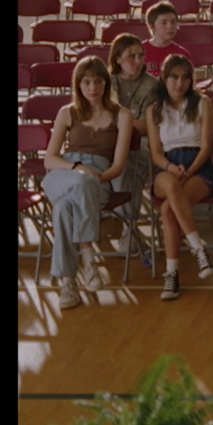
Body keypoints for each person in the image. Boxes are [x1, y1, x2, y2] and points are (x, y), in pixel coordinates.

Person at [42, 57, 134, 310]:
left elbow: (117, 166)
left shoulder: (122, 115)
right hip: (62, 173)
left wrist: (95, 177)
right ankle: (88, 258)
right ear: (78, 85)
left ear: (106, 83)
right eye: (86, 82)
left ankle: (68, 283)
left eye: (97, 81)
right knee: (80, 183)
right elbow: (49, 159)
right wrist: (77, 168)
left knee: (63, 209)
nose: (92, 87)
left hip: (99, 178)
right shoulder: (67, 112)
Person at [145, 54, 213, 300]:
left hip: (198, 164)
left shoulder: (203, 102)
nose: (180, 83)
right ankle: (198, 246)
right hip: (167, 165)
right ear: (164, 78)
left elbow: (206, 146)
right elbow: (155, 153)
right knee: (171, 187)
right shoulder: (153, 109)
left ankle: (171, 274)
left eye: (186, 77)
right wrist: (171, 167)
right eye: (174, 77)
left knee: (167, 211)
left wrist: (190, 171)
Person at [108, 33, 157, 226]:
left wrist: (120, 122)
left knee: (127, 157)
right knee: (126, 167)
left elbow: (147, 127)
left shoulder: (152, 85)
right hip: (111, 143)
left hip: (143, 144)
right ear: (118, 59)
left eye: (141, 56)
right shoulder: (107, 82)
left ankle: (126, 221)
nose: (138, 61)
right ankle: (128, 224)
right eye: (131, 56)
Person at [141, 1, 189, 79]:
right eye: (164, 23)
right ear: (152, 26)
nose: (169, 27)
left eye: (173, 22)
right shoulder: (139, 50)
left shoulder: (182, 54)